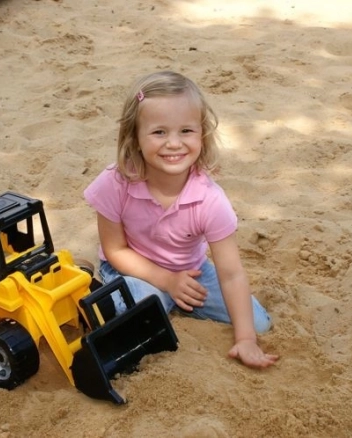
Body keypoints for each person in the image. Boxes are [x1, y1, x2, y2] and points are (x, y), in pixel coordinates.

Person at [83, 71, 278, 369]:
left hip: (191, 272)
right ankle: (97, 289)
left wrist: (245, 339)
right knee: (143, 317)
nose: (173, 143)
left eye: (186, 131)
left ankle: (177, 301)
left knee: (258, 324)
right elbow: (115, 250)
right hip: (133, 269)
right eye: (159, 132)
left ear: (202, 134)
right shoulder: (115, 183)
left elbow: (232, 274)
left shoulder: (210, 201)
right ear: (134, 137)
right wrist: (166, 281)